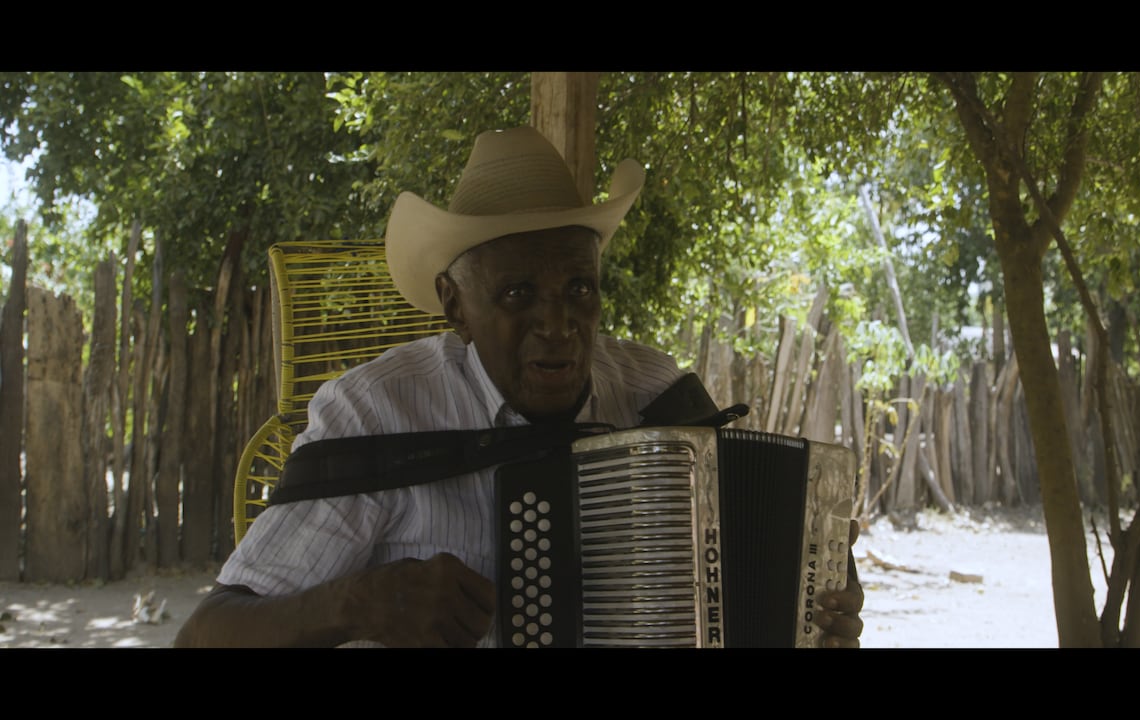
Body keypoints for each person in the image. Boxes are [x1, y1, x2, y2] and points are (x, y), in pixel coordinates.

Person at [174, 125, 864, 648]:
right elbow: (204, 633)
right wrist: (355, 605)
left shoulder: (656, 393)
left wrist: (812, 594)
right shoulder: (377, 413)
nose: (558, 325)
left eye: (579, 289)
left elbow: (738, 567)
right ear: (455, 305)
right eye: (517, 293)